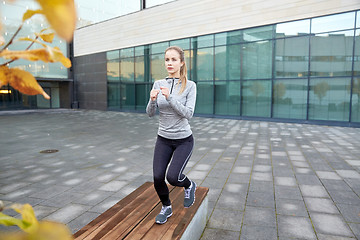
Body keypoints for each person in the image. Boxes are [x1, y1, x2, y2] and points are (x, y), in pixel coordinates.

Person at [146, 46, 197, 224]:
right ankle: (166, 207)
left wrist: (170, 98)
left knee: (173, 177)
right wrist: (152, 101)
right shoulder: (158, 83)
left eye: (174, 59)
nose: (169, 63)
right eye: (167, 59)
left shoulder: (190, 86)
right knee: (158, 177)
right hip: (163, 138)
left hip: (184, 140)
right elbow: (150, 113)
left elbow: (189, 114)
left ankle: (189, 185)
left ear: (181, 63)